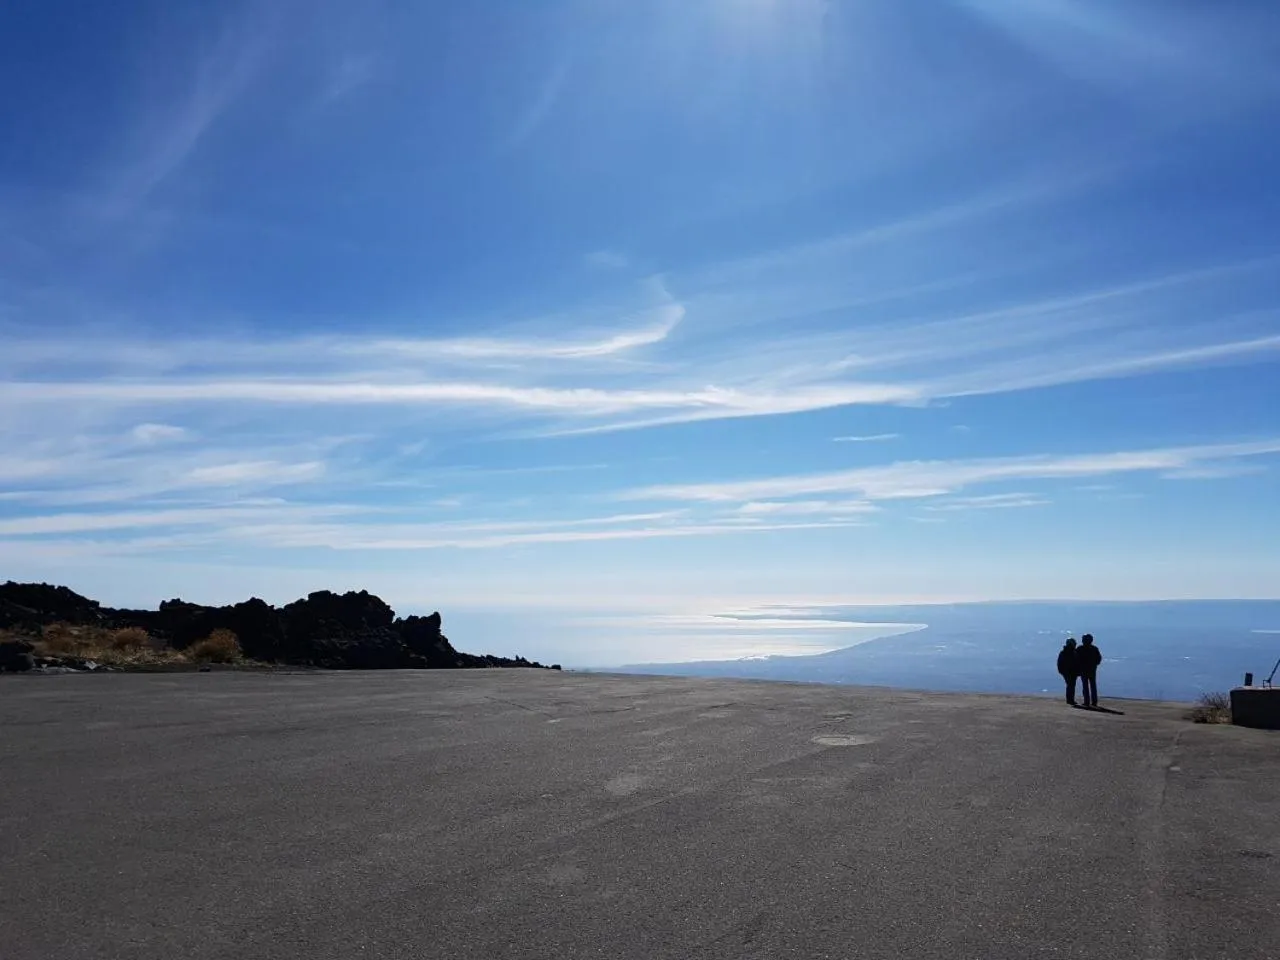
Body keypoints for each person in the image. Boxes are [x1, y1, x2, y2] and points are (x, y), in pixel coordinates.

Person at [1077, 633, 1102, 707]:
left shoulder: (1080, 649)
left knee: (1086, 686)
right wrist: (1094, 664)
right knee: (1092, 685)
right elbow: (1099, 659)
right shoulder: (1094, 648)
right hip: (1092, 670)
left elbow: (1076, 659)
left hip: (1084, 670)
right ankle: (1093, 702)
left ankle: (1087, 701)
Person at [1056, 638, 1079, 705]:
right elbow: (1060, 663)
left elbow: (1059, 663)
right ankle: (1070, 700)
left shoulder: (1066, 652)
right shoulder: (1069, 652)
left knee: (1070, 685)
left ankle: (1070, 699)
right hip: (1068, 672)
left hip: (1070, 672)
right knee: (1070, 685)